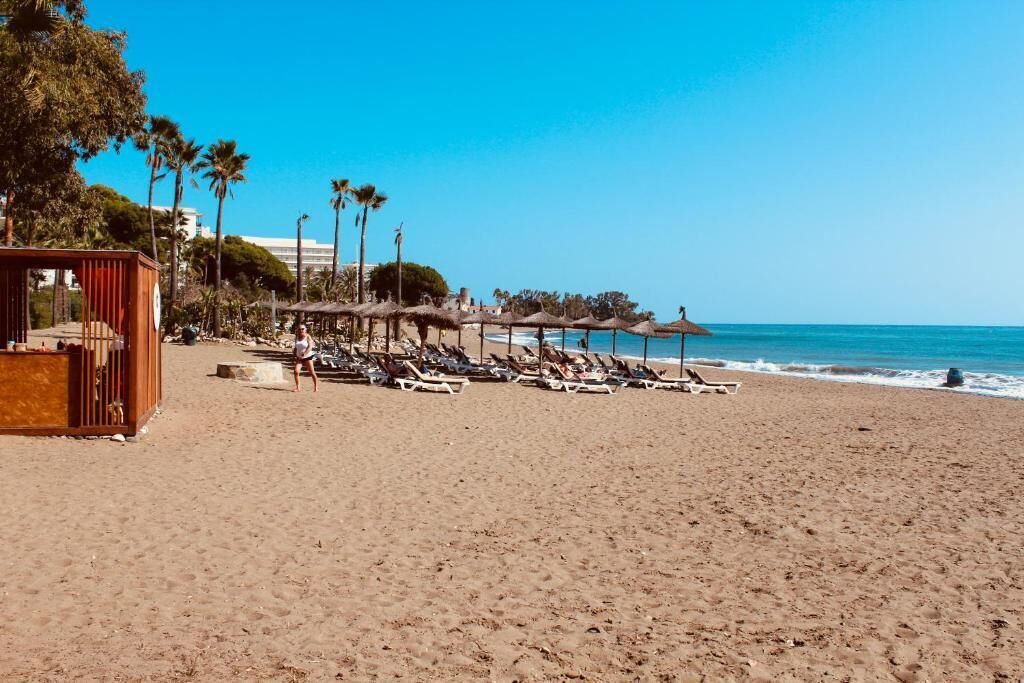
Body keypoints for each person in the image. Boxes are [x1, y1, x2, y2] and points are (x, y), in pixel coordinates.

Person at [292, 324, 319, 392]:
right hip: (299, 357)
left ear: (305, 329)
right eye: (299, 329)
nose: (301, 330)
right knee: (296, 371)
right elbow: (296, 347)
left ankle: (316, 387)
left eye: (302, 329)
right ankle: (298, 387)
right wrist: (294, 355)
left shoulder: (308, 337)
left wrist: (305, 353)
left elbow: (310, 346)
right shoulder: (296, 337)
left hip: (307, 357)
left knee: (312, 372)